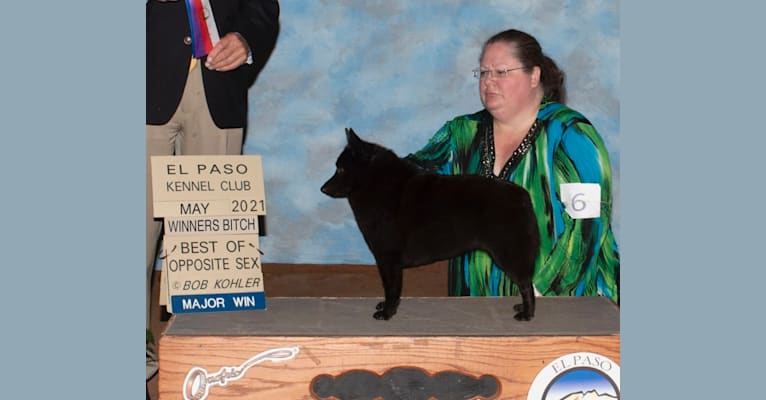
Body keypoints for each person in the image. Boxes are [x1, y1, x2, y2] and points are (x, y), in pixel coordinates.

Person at [406, 29, 619, 304]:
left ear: (534, 76)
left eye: (501, 72)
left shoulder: (570, 133)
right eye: (483, 73)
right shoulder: (460, 133)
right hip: (475, 310)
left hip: (564, 311)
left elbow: (587, 224)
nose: (488, 82)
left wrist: (540, 295)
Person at [145, 0, 280, 385]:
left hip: (219, 89)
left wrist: (246, 38)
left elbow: (263, 8)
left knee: (211, 247)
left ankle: (202, 372)